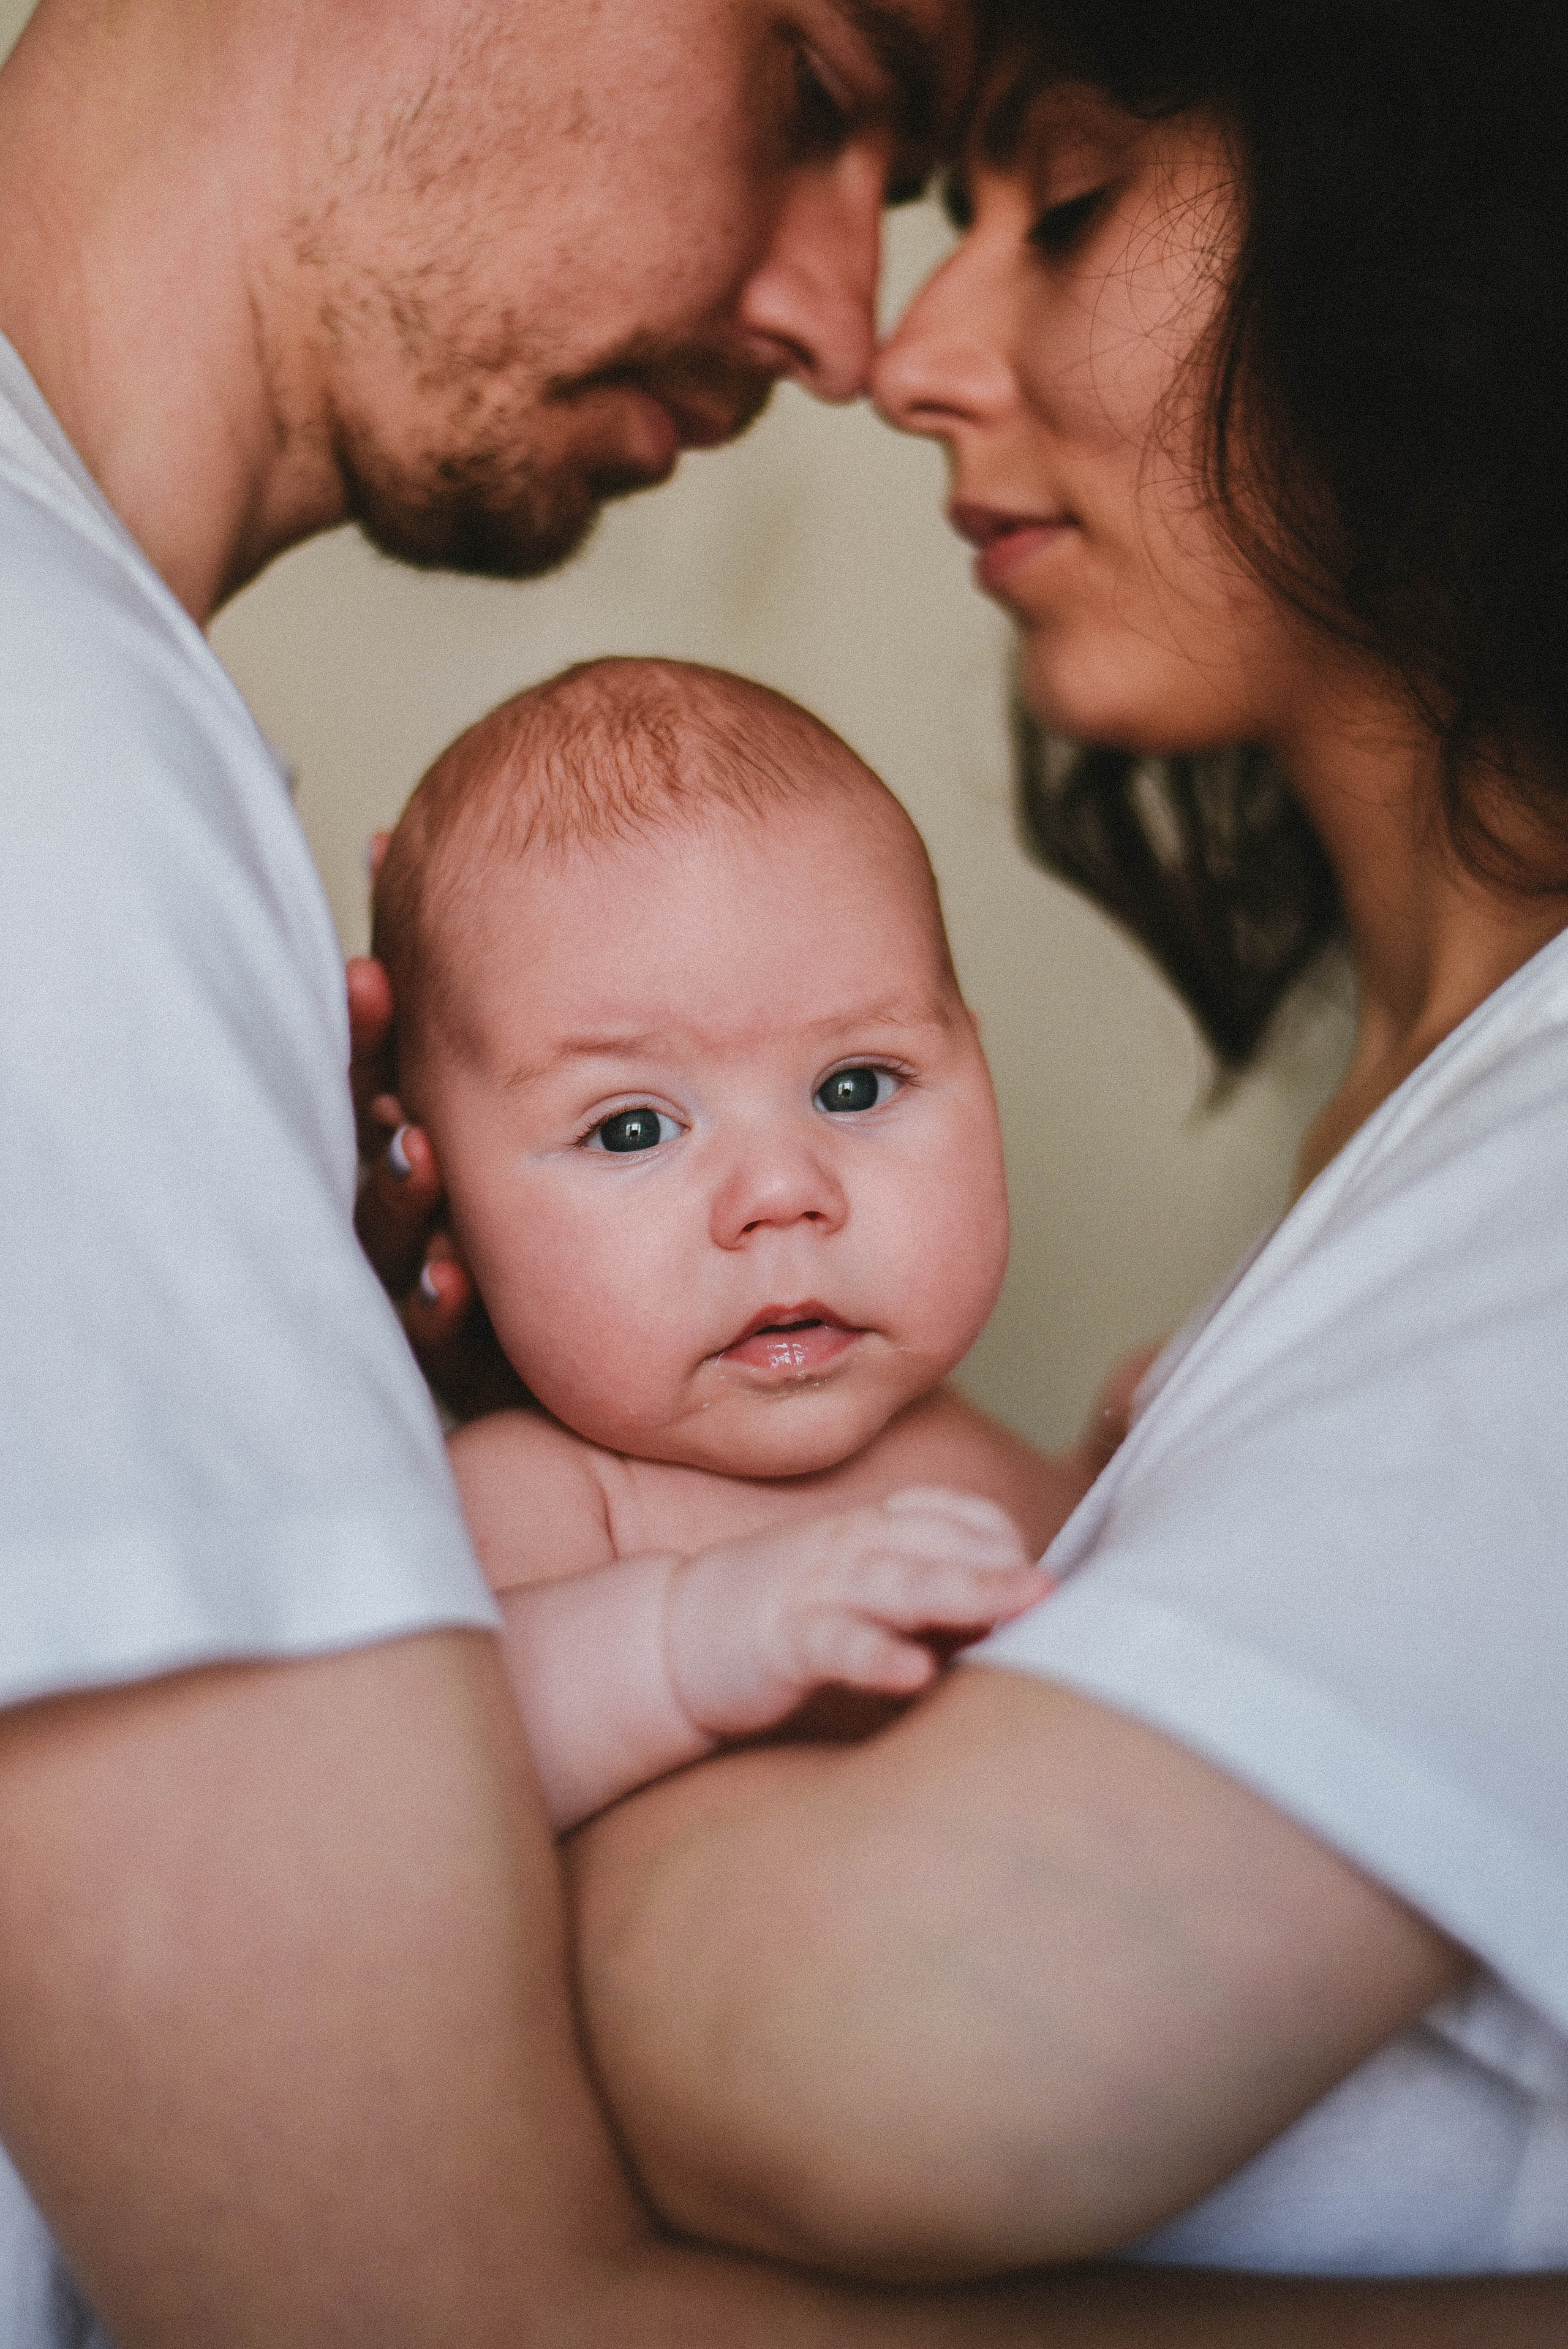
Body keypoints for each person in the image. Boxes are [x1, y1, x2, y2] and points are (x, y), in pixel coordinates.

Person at [502, 0, 1568, 2318]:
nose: (904, 352)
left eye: (1063, 208)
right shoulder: (1406, 1144)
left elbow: (888, 2048)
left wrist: (505, 1743)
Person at [370, 655, 1127, 1828]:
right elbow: (420, 1765)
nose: (783, 1192)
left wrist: (1147, 1453)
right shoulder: (549, 1493)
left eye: (857, 1084)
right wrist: (685, 1642)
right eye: (630, 1126)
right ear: (441, 1195)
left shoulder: (974, 1451)